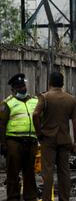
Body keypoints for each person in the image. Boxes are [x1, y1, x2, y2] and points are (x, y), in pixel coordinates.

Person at [32, 72, 76, 201]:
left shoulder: (45, 97)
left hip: (48, 139)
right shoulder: (71, 99)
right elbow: (75, 121)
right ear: (62, 83)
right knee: (64, 171)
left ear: (50, 82)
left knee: (47, 171)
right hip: (65, 140)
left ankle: (47, 198)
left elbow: (35, 114)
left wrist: (39, 133)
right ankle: (64, 198)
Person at [0, 73, 38, 201]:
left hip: (31, 142)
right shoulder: (7, 103)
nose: (22, 88)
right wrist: (3, 144)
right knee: (13, 173)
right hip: (14, 143)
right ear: (13, 89)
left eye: (23, 85)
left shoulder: (34, 101)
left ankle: (30, 197)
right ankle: (13, 197)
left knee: (29, 173)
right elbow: (2, 124)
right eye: (18, 87)